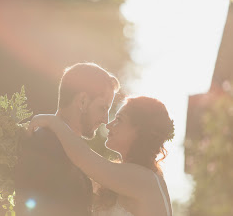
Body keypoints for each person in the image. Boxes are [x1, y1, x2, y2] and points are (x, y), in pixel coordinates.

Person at [28, 96, 175, 216]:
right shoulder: (122, 177)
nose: (109, 125)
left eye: (119, 120)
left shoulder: (146, 179)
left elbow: (83, 157)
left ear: (140, 132)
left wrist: (53, 121)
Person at [14, 62, 120, 216]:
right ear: (82, 101)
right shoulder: (46, 144)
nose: (105, 119)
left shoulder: (65, 147)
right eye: (103, 108)